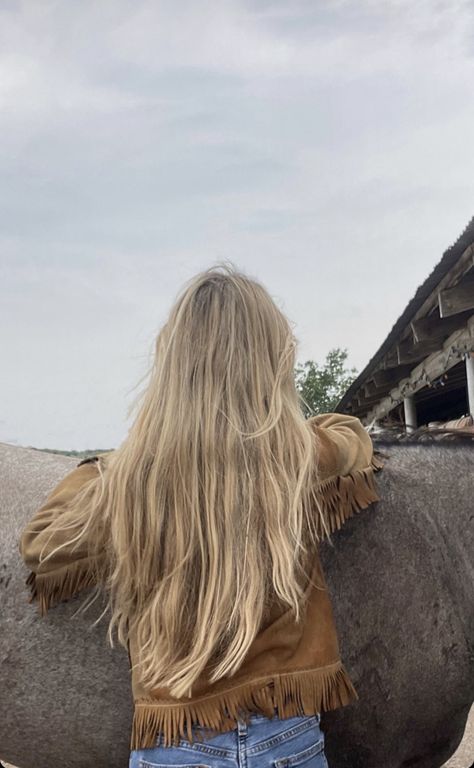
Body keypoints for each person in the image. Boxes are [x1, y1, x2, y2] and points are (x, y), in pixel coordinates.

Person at [19, 264, 383, 768]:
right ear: (270, 360)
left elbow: (41, 542)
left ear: (172, 366)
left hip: (173, 742)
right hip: (286, 735)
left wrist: (117, 467)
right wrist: (295, 433)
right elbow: (354, 439)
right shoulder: (301, 456)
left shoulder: (127, 482)